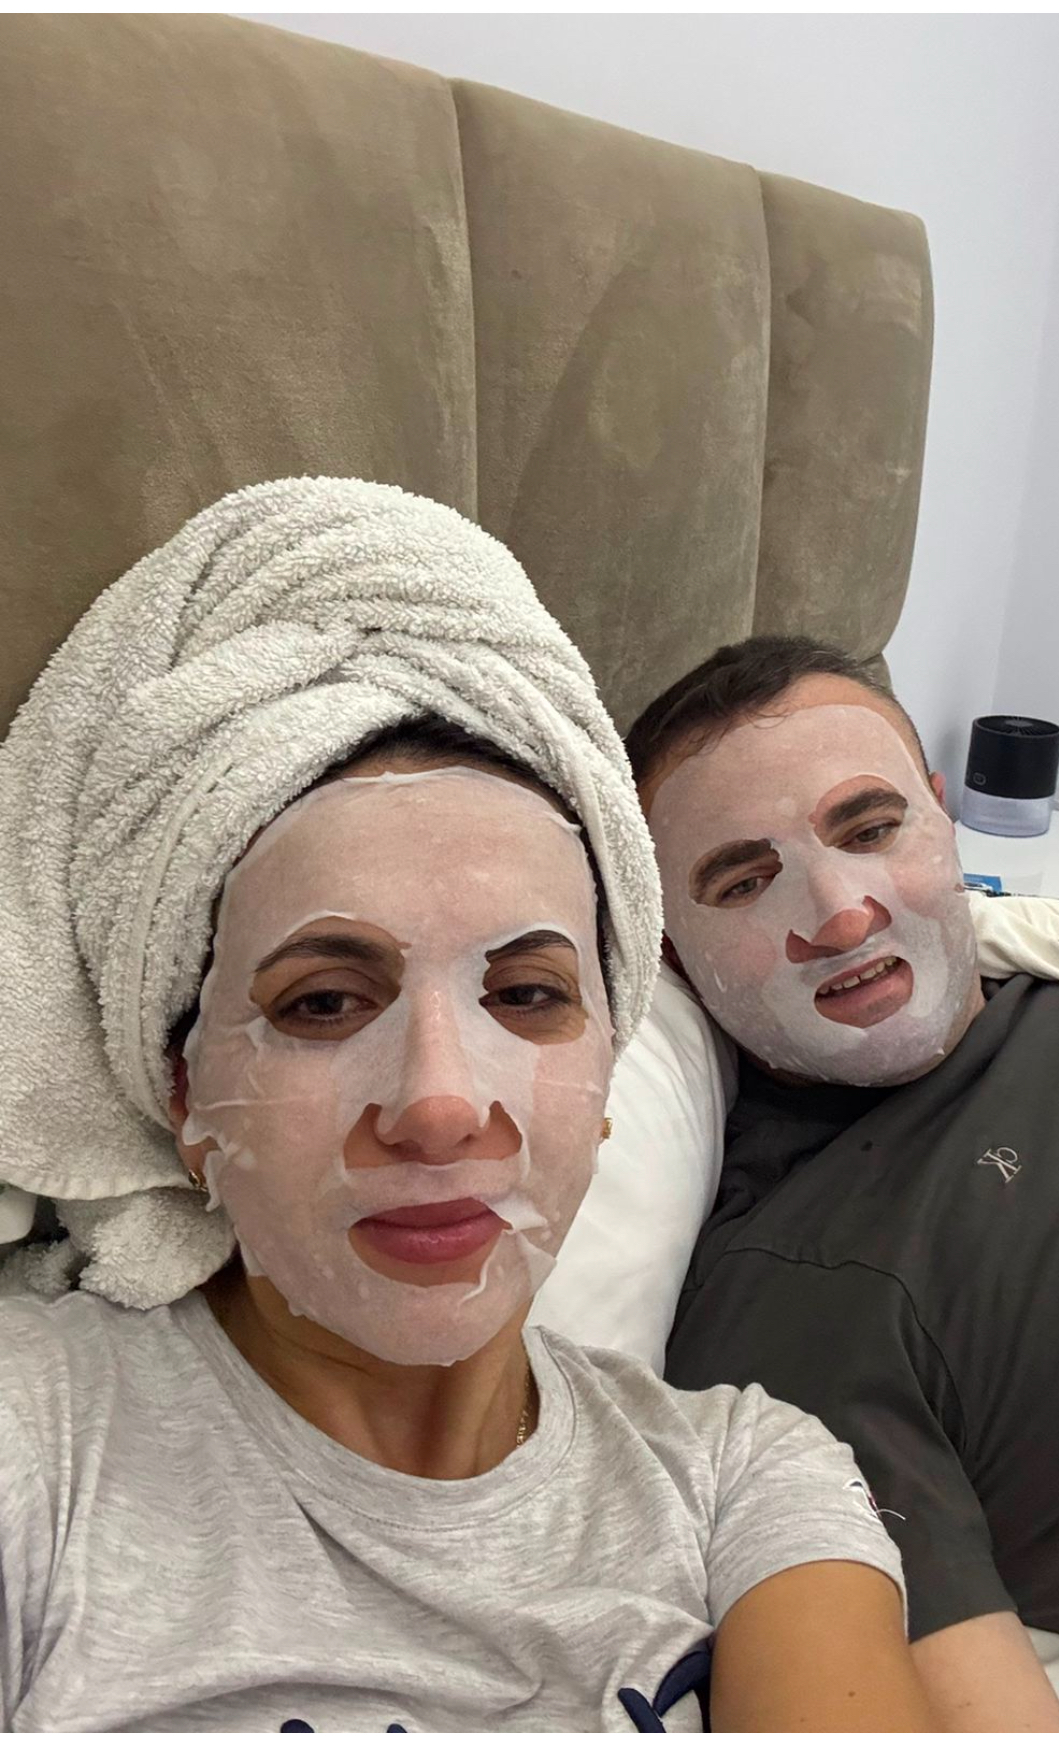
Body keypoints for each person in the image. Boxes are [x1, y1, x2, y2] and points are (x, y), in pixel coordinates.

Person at [0, 485, 927, 1733]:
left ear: (604, 1078)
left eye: (527, 993)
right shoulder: (36, 1438)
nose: (440, 1103)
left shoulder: (744, 1483)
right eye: (324, 1002)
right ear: (187, 1102)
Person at [628, 632, 1059, 1731]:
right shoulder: (799, 1311)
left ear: (942, 821)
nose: (840, 912)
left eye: (870, 828)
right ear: (668, 948)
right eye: (743, 881)